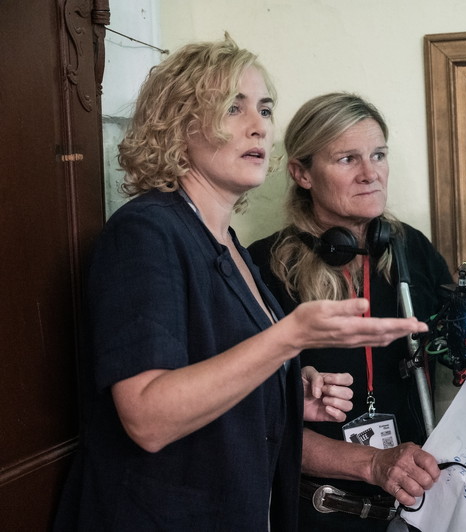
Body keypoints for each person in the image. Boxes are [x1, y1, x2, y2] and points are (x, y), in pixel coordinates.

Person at [53, 37, 427, 532]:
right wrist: (288, 338)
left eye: (264, 109)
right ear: (178, 123)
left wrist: (286, 390)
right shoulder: (145, 231)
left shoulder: (227, 243)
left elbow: (216, 381)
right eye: (233, 107)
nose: (259, 126)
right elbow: (148, 417)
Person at [248, 92, 455, 531]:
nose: (370, 173)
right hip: (318, 512)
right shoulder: (262, 267)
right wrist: (372, 463)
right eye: (347, 159)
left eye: (378, 155)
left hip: (416, 508)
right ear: (302, 173)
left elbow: (461, 352)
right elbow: (255, 421)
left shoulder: (411, 248)